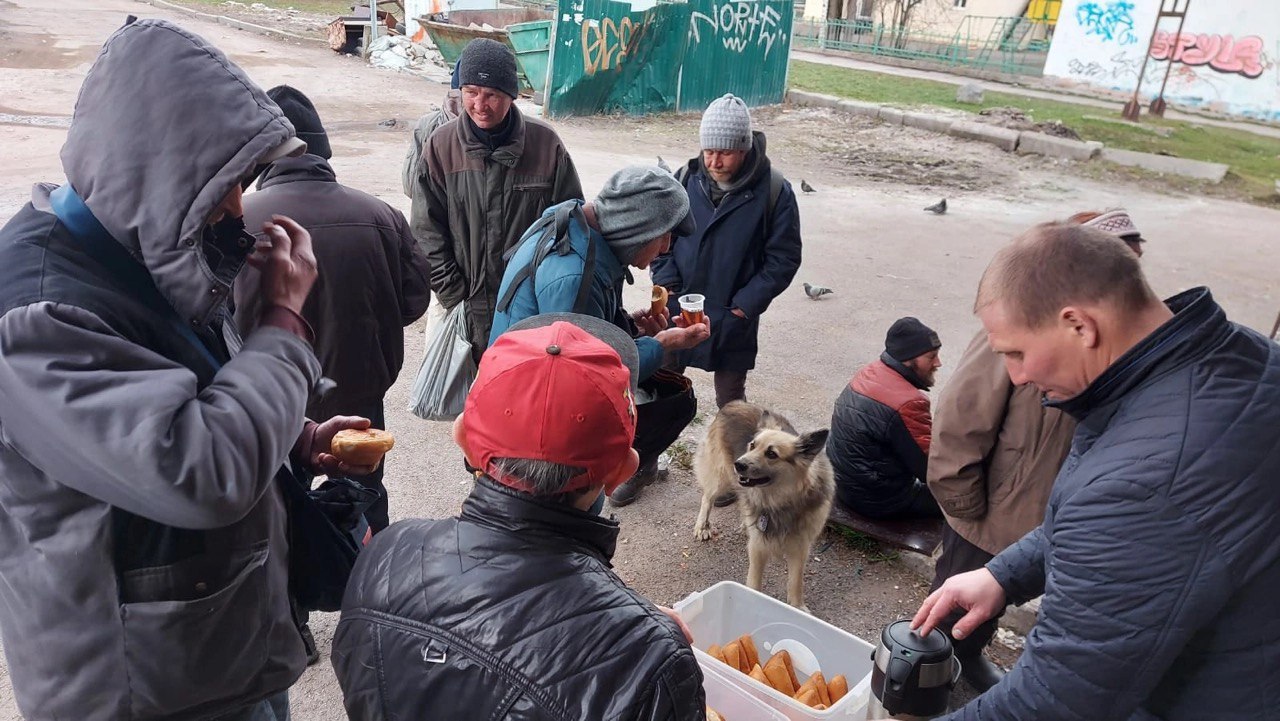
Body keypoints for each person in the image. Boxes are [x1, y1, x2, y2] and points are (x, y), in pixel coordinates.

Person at [0, 19, 376, 720]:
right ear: (156, 170)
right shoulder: (37, 316)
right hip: (143, 692)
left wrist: (292, 435)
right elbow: (197, 468)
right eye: (226, 186)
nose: (238, 207)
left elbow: (186, 387)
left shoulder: (142, 248)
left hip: (215, 660)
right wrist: (284, 321)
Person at [914, 223, 1280, 720]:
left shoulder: (1143, 481)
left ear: (1080, 325)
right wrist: (1002, 573)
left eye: (1016, 353)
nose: (1018, 377)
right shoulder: (1241, 360)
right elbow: (1156, 524)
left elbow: (1057, 700)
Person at [332, 314, 706, 720]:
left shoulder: (384, 555)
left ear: (466, 443)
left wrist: (632, 628)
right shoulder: (650, 663)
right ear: (622, 472)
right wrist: (640, 637)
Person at [925, 207, 1147, 692]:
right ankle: (924, 679)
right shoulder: (1019, 329)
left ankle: (967, 657)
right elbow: (960, 419)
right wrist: (966, 506)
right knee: (948, 610)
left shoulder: (1118, 345)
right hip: (986, 509)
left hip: (1038, 516)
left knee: (991, 602)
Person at [236, 85, 433, 536]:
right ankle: (374, 589)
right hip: (358, 391)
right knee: (365, 497)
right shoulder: (379, 214)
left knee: (279, 508)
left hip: (269, 402)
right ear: (322, 150)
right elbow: (413, 300)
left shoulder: (238, 220)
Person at [489, 166, 711, 507]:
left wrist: (626, 327)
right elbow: (581, 379)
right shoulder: (574, 274)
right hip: (534, 429)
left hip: (522, 396)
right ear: (635, 228)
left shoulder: (575, 223)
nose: (667, 248)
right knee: (561, 516)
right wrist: (662, 345)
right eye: (665, 235)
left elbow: (580, 331)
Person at [414, 38, 582, 363]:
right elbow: (425, 232)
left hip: (529, 310)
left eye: (491, 94)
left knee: (524, 401)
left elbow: (569, 226)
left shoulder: (547, 147)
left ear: (511, 95)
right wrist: (454, 294)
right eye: (471, 92)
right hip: (465, 306)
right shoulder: (440, 148)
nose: (480, 104)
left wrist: (545, 295)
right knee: (468, 408)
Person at [651, 93, 802, 410]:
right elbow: (661, 240)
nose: (714, 162)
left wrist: (745, 306)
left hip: (733, 314)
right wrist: (669, 282)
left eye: (725, 153)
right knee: (658, 393)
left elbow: (783, 258)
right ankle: (649, 459)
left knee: (732, 404)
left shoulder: (775, 192)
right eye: (708, 151)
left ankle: (735, 461)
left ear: (745, 149)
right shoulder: (684, 179)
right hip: (680, 305)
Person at [828, 317, 944, 520]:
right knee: (968, 499)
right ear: (909, 359)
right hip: (877, 500)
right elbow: (930, 470)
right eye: (931, 357)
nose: (938, 363)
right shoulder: (909, 403)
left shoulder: (868, 372)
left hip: (841, 483)